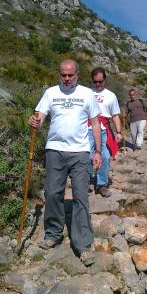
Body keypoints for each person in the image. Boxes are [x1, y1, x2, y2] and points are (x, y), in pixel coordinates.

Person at [28, 59, 102, 266]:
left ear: (77, 74)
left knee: (80, 197)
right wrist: (36, 122)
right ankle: (53, 233)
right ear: (59, 74)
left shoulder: (87, 94)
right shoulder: (51, 93)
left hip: (80, 153)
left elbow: (95, 124)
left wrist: (98, 151)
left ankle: (84, 245)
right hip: (55, 150)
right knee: (52, 193)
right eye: (63, 75)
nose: (67, 78)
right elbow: (40, 117)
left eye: (70, 75)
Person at [88, 67, 122, 198]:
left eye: (100, 81)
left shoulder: (111, 95)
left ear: (104, 80)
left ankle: (101, 184)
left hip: (104, 130)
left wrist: (118, 131)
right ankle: (87, 181)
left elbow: (115, 115)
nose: (98, 84)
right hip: (88, 128)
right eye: (95, 82)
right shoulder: (87, 93)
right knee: (87, 155)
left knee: (106, 156)